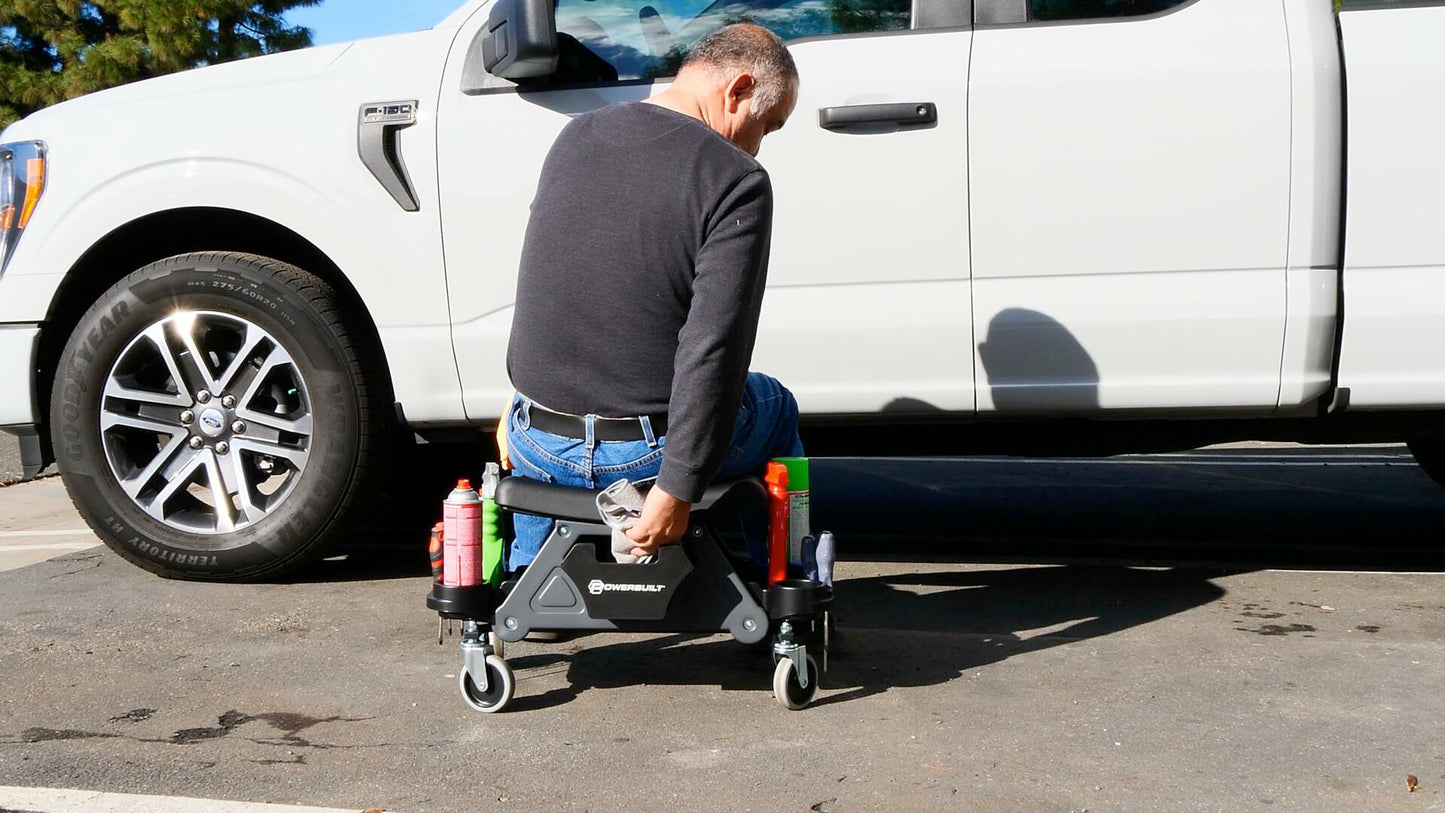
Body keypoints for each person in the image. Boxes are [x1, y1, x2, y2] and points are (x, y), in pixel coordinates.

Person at [503, 23, 803, 570]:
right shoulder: (736, 177)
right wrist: (676, 490)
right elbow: (714, 346)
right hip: (646, 455)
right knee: (774, 402)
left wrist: (517, 401)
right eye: (767, 124)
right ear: (736, 90)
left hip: (535, 441)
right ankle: (767, 581)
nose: (759, 144)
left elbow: (549, 287)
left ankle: (532, 566)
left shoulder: (578, 136)